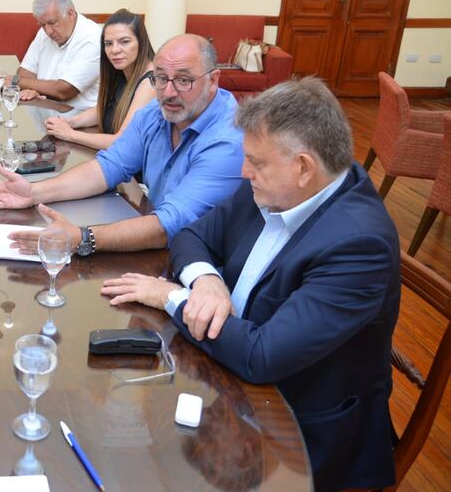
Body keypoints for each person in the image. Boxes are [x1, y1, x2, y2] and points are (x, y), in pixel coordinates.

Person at [102, 78, 401, 491]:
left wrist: (171, 296)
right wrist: (205, 280)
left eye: (255, 163)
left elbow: (263, 356)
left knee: (150, 466)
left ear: (303, 167)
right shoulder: (276, 188)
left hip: (297, 431)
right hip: (229, 380)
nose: (244, 172)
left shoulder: (358, 246)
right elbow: (191, 236)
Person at [0, 34, 243, 254]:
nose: (169, 92)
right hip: (161, 247)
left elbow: (168, 226)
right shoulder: (156, 114)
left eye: (184, 80)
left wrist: (81, 238)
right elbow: (108, 167)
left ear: (213, 80)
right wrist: (34, 192)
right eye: (160, 78)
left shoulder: (227, 140)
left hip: (205, 267)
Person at [44, 9, 156, 150]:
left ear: (141, 42)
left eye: (124, 42)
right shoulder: (123, 70)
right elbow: (105, 110)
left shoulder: (151, 82)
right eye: (108, 44)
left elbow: (122, 142)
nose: (114, 50)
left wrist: (70, 134)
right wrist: (69, 122)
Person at [13, 0, 101, 111]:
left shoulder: (92, 39)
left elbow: (64, 90)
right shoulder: (44, 32)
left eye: (52, 23)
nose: (48, 31)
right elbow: (25, 72)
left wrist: (16, 82)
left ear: (70, 14)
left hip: (82, 119)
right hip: (47, 110)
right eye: (42, 25)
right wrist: (32, 90)